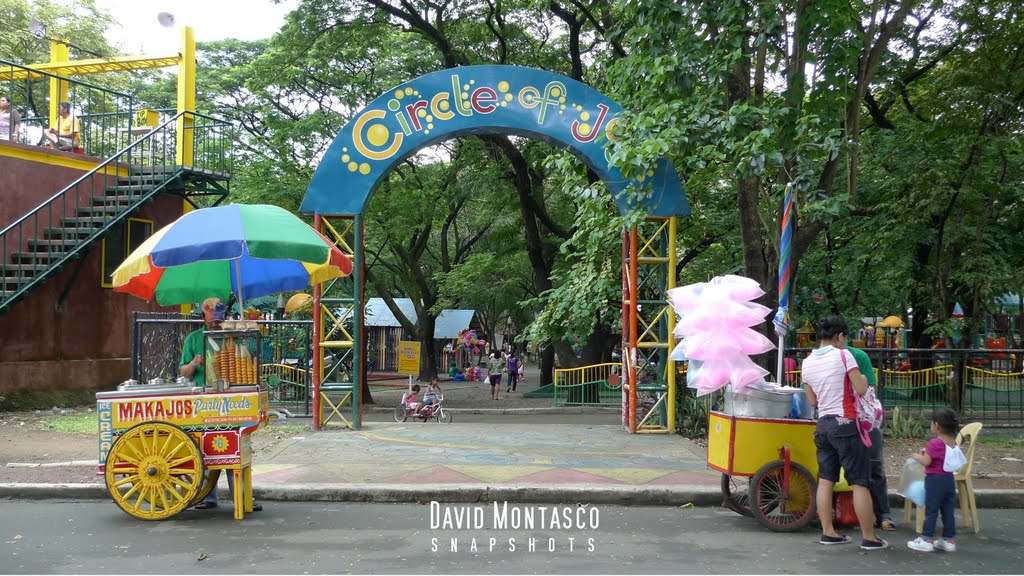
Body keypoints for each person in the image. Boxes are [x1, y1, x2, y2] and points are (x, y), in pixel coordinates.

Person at [801, 315, 887, 551]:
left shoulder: (806, 363)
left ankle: (828, 533)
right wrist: (857, 376)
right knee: (859, 482)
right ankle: (869, 537)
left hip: (823, 425)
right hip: (846, 424)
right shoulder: (843, 355)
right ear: (839, 336)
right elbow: (861, 388)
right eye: (845, 338)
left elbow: (812, 400)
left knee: (826, 480)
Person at [182, 298, 262, 512]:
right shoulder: (192, 339)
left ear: (226, 318)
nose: (216, 325)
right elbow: (183, 372)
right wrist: (193, 364)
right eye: (212, 322)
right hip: (203, 402)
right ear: (202, 319)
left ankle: (243, 496)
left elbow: (246, 363)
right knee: (205, 449)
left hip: (231, 401)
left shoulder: (234, 338)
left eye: (219, 321)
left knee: (236, 449)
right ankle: (208, 497)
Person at [844, 343, 896, 531]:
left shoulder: (859, 356)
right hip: (840, 420)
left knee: (874, 467)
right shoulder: (824, 358)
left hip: (865, 420)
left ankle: (883, 514)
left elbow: (869, 388)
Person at [907, 408, 965, 552]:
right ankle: (949, 540)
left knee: (932, 511)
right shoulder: (952, 442)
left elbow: (926, 462)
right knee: (947, 510)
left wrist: (917, 456)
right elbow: (941, 456)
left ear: (937, 426)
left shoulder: (934, 443)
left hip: (935, 481)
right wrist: (928, 453)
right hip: (948, 480)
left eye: (932, 423)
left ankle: (926, 539)